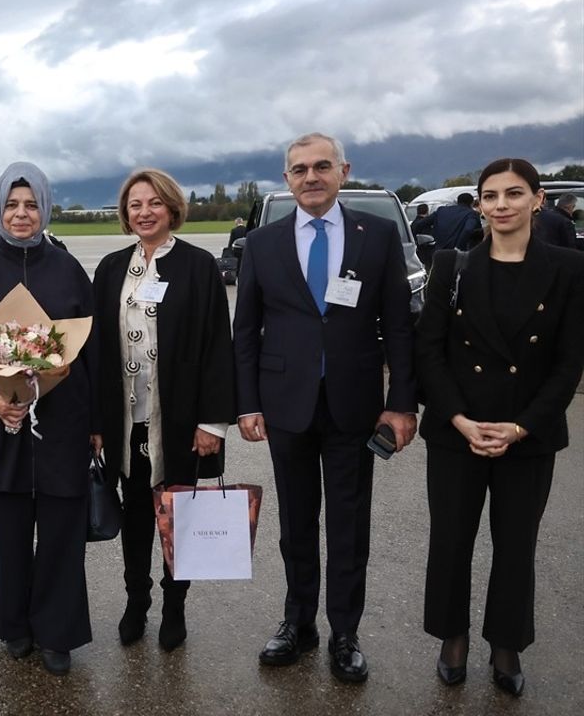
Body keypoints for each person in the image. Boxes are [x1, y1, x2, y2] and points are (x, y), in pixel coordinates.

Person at [234, 132, 417, 683]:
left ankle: (345, 632)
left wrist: (401, 402)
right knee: (295, 522)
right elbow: (244, 332)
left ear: (343, 171)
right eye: (298, 170)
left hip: (353, 405)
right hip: (285, 404)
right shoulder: (262, 244)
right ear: (285, 179)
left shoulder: (378, 236)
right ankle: (298, 622)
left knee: (348, 523)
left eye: (321, 167)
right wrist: (247, 403)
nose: (310, 178)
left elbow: (399, 328)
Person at [415, 158, 584, 697]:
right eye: (490, 196)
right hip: (457, 431)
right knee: (451, 539)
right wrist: (461, 420)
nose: (501, 205)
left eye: (514, 194)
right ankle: (453, 635)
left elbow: (568, 361)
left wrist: (520, 427)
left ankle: (507, 641)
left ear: (538, 199)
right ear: (480, 205)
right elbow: (430, 352)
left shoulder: (569, 268)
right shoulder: (452, 266)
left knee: (516, 544)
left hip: (527, 434)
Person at [0, 162, 99, 676]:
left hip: (63, 423)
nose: (21, 214)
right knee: (10, 535)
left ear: (46, 208)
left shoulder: (69, 269)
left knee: (61, 534)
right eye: (12, 204)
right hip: (0, 425)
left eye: (31, 205)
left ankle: (58, 632)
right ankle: (14, 624)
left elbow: (90, 352)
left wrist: (93, 419)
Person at [93, 168, 235, 650]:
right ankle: (138, 602)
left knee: (179, 520)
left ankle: (176, 608)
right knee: (134, 520)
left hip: (179, 422)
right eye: (135, 205)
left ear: (171, 207)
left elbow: (219, 345)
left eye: (154, 203)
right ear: (124, 213)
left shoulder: (198, 265)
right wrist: (97, 424)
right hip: (126, 423)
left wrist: (213, 422)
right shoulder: (111, 268)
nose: (144, 212)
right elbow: (95, 353)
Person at [416, 192, 482, 250]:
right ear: (472, 203)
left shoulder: (441, 211)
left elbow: (420, 224)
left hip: (439, 253)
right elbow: (468, 229)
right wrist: (459, 247)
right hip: (460, 255)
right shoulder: (471, 214)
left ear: (458, 202)